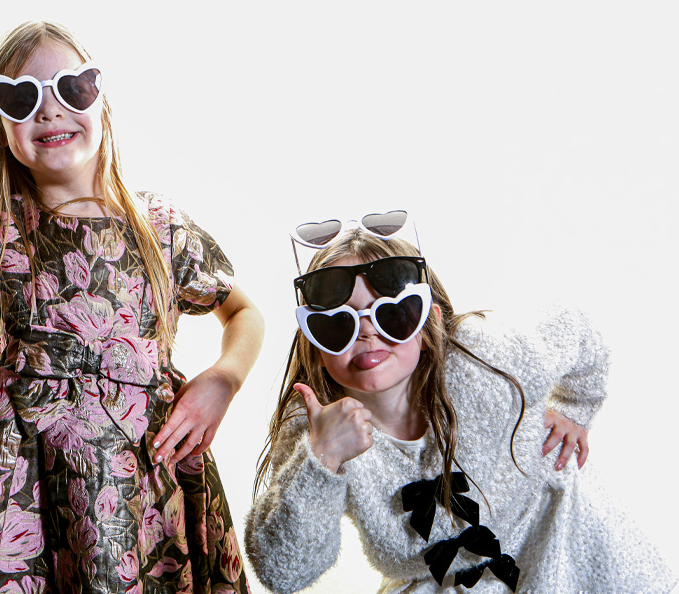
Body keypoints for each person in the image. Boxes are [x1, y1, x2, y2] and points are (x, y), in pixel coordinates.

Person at [0, 21, 263, 594]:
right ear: (0, 124)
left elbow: (245, 314)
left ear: (101, 101)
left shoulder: (161, 228)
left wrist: (224, 380)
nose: (50, 110)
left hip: (140, 484)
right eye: (21, 97)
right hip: (13, 484)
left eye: (71, 88)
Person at [245, 217, 675, 593]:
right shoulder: (316, 427)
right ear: (313, 340)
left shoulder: (483, 358)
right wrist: (322, 461)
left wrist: (577, 409)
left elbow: (574, 327)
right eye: (338, 323)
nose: (367, 334)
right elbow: (284, 573)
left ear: (428, 317)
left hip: (568, 548)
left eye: (392, 314)